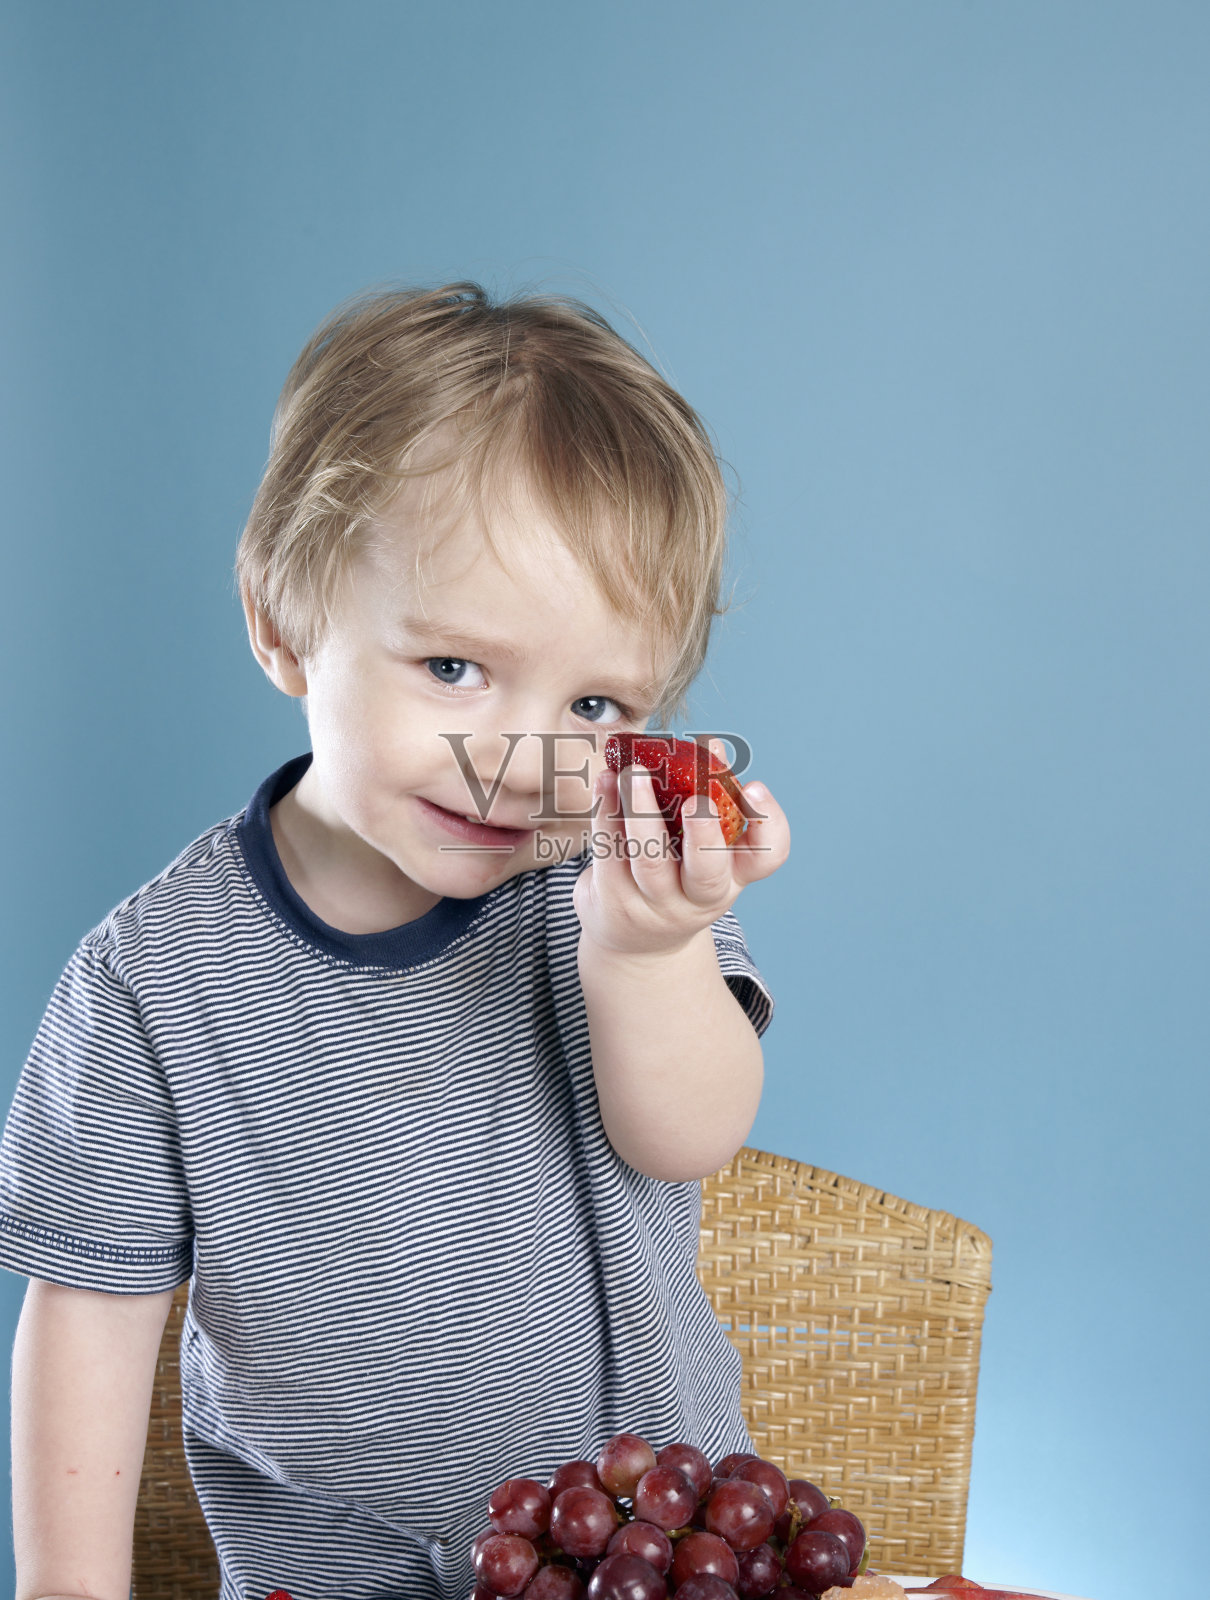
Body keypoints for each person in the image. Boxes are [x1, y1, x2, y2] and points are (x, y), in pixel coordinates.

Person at [0, 282, 790, 1600]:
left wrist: (648, 955)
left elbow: (688, 1135)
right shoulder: (148, 981)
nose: (512, 764)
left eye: (593, 703)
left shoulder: (605, 889)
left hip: (640, 1569)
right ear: (283, 618)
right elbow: (91, 1307)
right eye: (453, 671)